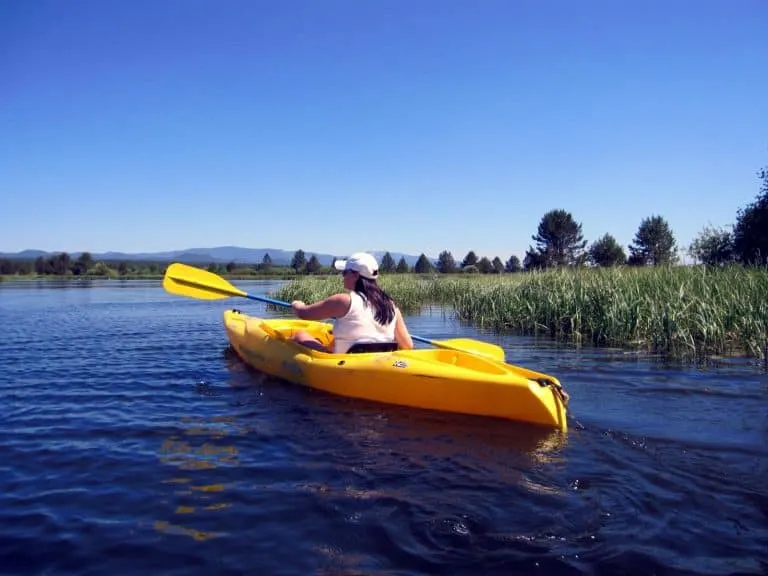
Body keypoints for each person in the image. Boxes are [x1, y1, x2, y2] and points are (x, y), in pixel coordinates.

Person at [289, 252, 414, 353]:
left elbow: (303, 314)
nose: (342, 276)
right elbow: (407, 345)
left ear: (355, 275)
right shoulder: (391, 306)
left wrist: (297, 304)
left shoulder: (343, 301)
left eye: (345, 272)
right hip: (378, 362)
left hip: (343, 364)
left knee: (300, 334)